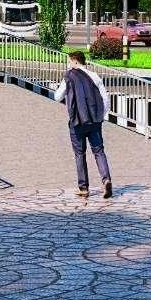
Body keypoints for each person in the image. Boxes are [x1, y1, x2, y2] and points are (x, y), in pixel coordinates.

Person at [53, 50, 113, 198]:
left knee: (80, 154)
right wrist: (101, 116)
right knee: (99, 151)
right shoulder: (94, 76)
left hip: (77, 122)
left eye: (69, 61)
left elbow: (57, 96)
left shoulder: (69, 76)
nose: (68, 64)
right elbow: (105, 99)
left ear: (75, 61)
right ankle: (106, 179)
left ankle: (84, 188)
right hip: (95, 121)